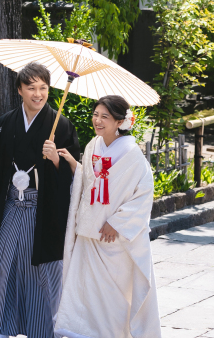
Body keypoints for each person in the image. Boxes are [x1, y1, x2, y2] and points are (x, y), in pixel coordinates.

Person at [0, 62, 81, 338]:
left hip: (42, 211)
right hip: (10, 207)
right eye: (31, 88)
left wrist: (56, 160)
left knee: (39, 270)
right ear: (20, 90)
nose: (38, 94)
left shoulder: (61, 124)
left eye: (43, 88)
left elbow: (74, 172)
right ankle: (1, 326)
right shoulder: (7, 122)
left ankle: (42, 330)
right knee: (3, 264)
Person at [54, 95, 161, 338]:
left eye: (105, 117)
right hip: (89, 232)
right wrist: (73, 164)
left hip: (114, 239)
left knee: (112, 295)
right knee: (85, 290)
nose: (97, 121)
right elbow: (89, 182)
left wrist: (117, 222)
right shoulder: (93, 145)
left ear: (120, 122)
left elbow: (143, 194)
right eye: (96, 115)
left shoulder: (133, 154)